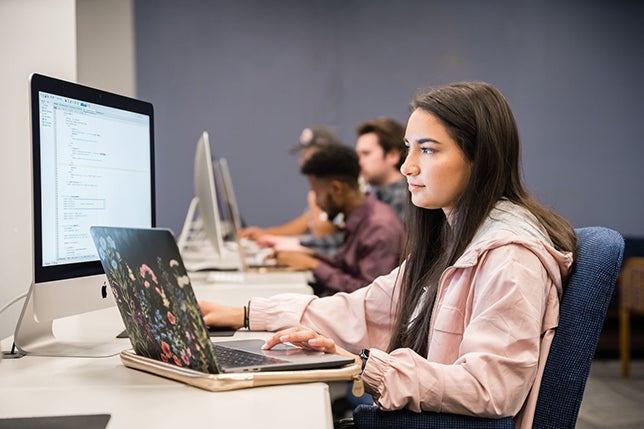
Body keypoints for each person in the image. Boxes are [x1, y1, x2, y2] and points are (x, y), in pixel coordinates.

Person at [199, 82, 576, 428]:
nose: (407, 166)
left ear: (480, 157)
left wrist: (366, 367)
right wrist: (248, 314)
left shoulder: (510, 258)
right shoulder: (453, 238)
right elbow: (364, 309)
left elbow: (490, 387)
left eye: (427, 149)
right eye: (409, 147)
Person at [264, 143, 405, 296]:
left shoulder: (378, 226)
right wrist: (308, 258)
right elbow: (345, 266)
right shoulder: (361, 218)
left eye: (317, 193)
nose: (317, 202)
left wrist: (314, 265)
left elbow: (370, 295)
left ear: (336, 189)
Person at [239, 126, 341, 246]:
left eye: (306, 154)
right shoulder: (319, 190)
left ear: (325, 155)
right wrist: (265, 234)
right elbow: (306, 222)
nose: (301, 161)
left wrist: (314, 201)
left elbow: (324, 234)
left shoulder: (340, 186)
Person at [355, 117, 408, 226]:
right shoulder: (375, 197)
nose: (359, 162)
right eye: (358, 155)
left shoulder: (407, 200)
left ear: (392, 156)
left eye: (366, 154)